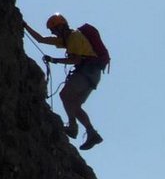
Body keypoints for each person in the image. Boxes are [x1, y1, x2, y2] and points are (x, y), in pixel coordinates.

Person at [23, 13, 104, 150]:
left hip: (86, 72)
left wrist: (54, 60)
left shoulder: (74, 37)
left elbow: (76, 60)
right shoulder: (65, 39)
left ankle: (73, 127)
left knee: (65, 95)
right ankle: (92, 133)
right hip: (92, 74)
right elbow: (41, 39)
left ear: (61, 27)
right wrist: (25, 26)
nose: (53, 33)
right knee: (74, 106)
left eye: (54, 30)